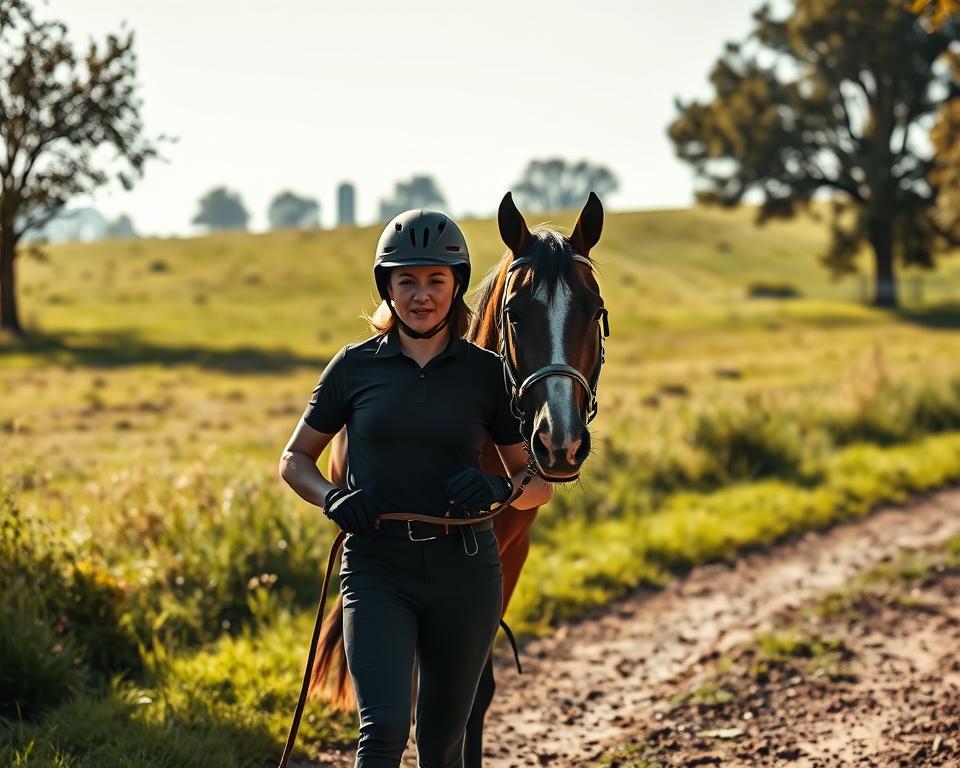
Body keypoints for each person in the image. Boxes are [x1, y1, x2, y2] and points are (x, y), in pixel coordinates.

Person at [278, 209, 552, 767]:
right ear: (387, 286)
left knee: (440, 747)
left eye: (435, 279)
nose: (421, 295)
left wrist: (498, 488)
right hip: (377, 570)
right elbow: (294, 459)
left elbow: (537, 486)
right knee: (381, 733)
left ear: (456, 285)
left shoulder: (487, 374)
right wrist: (332, 498)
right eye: (406, 279)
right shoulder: (354, 368)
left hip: (467, 573)